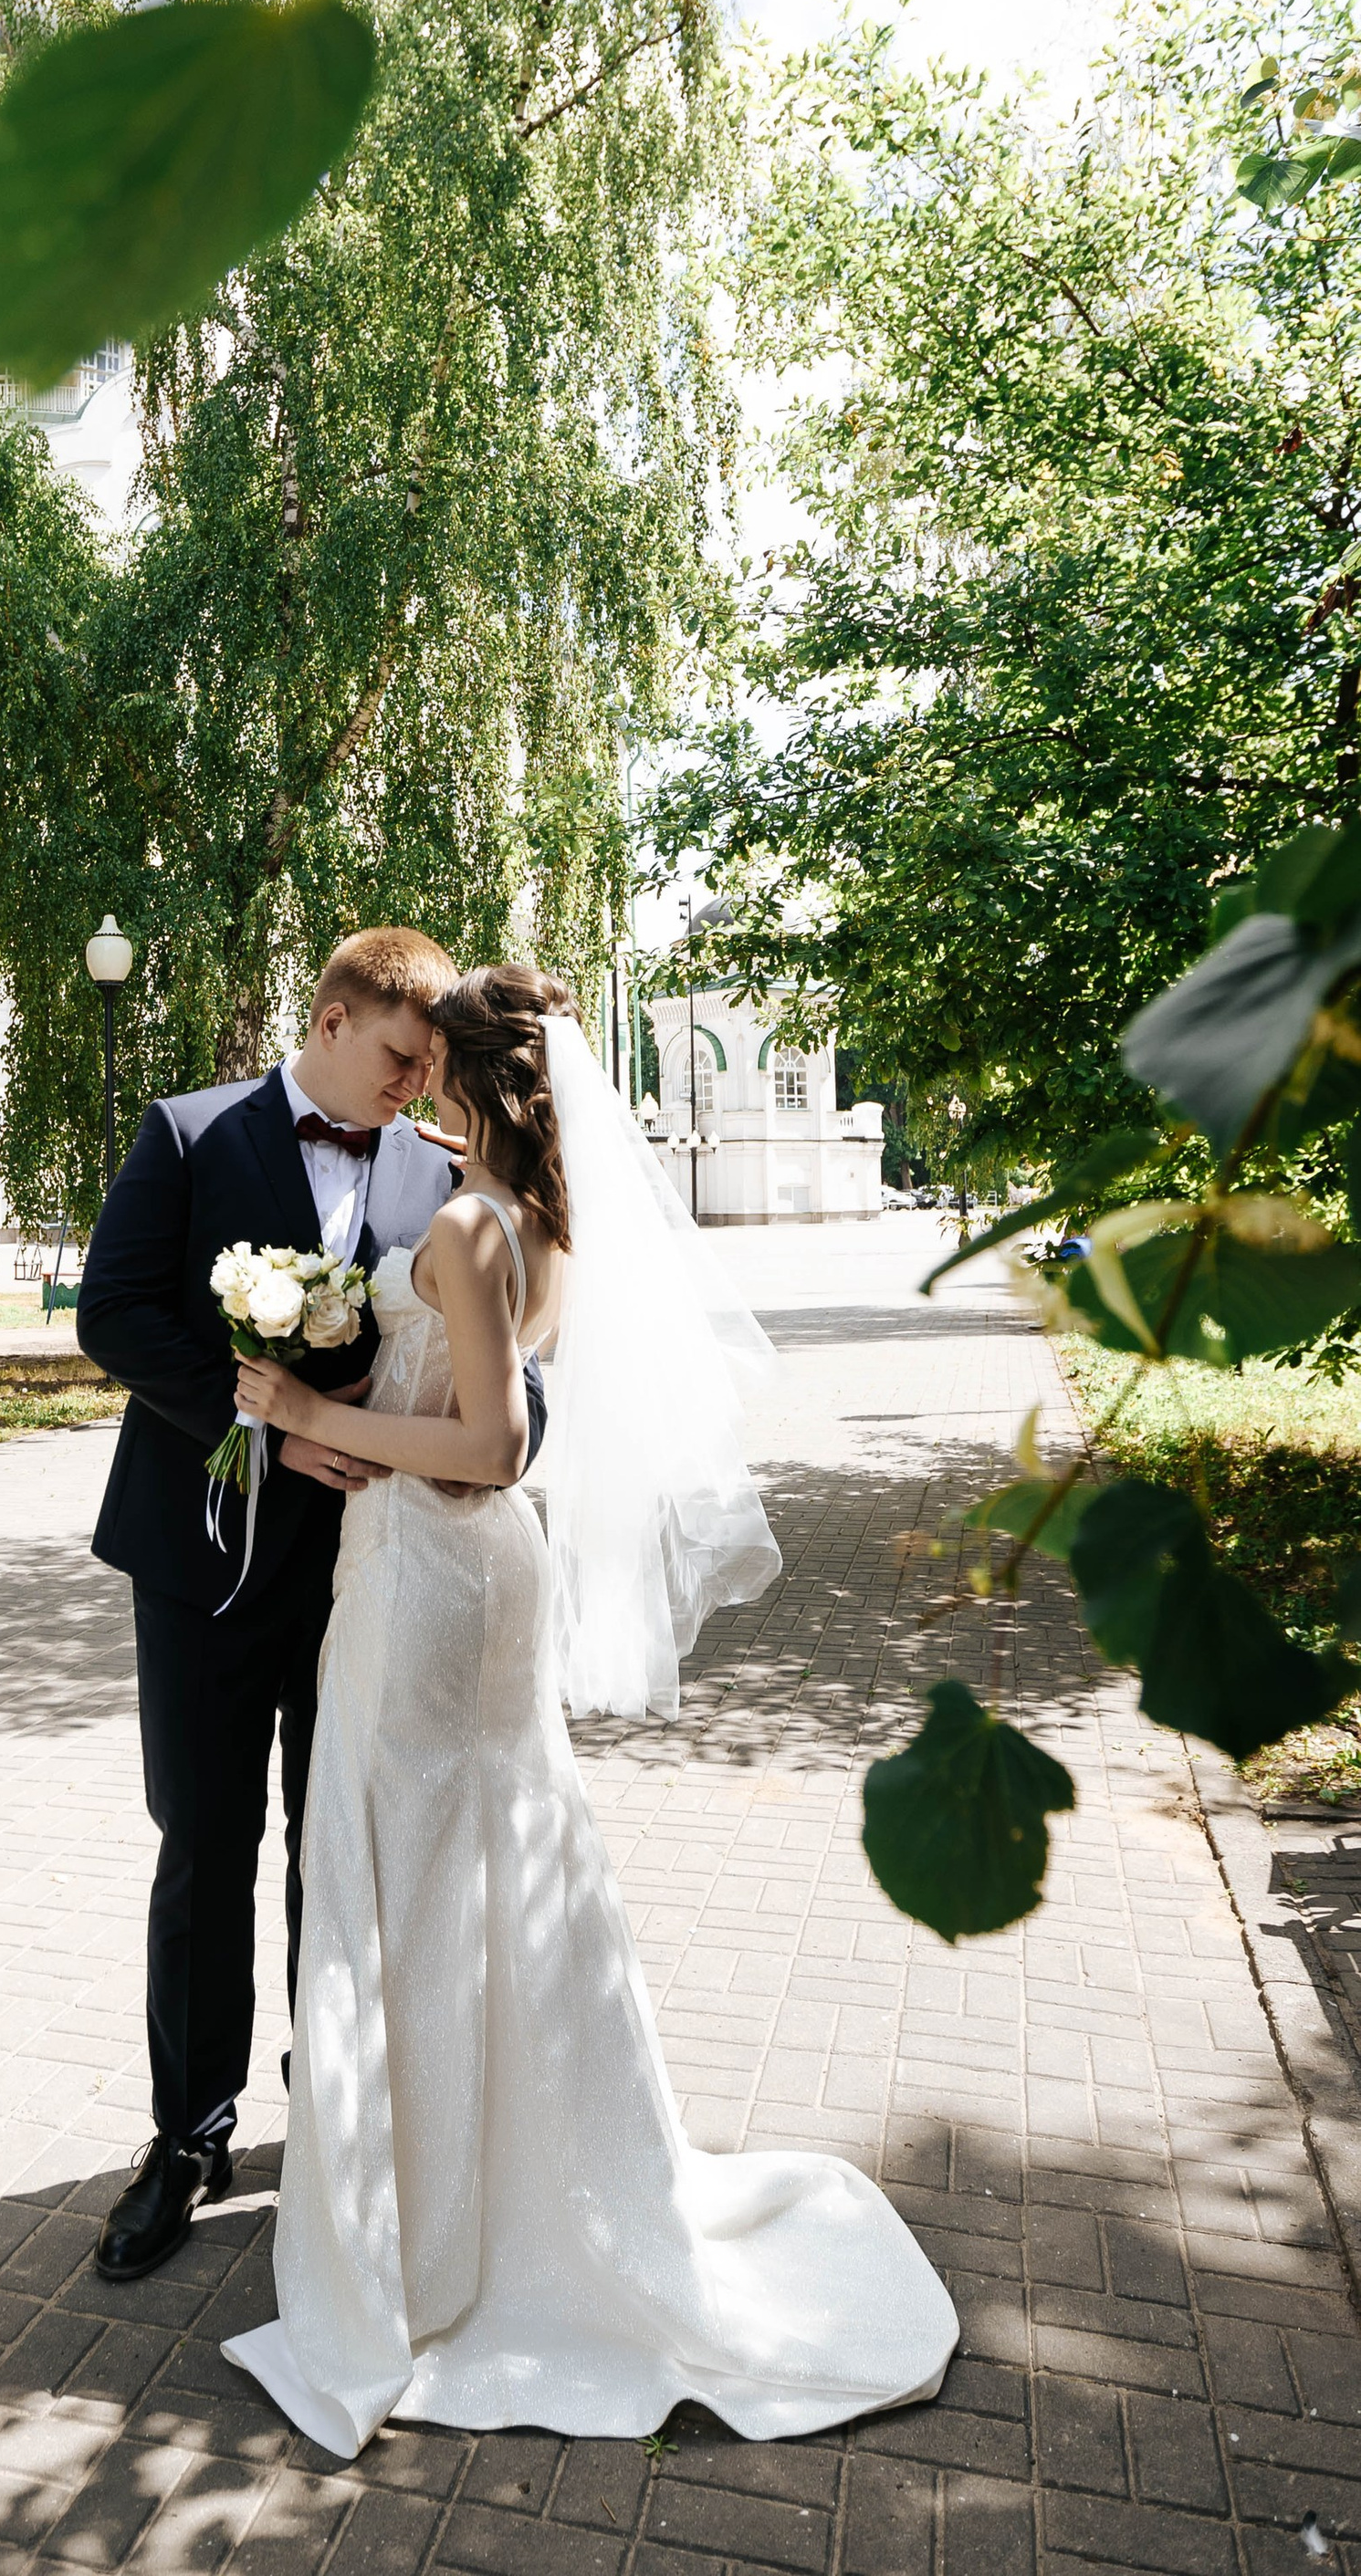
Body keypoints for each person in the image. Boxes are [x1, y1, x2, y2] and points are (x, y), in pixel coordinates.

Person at [217, 963, 958, 2455]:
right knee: (491, 1858)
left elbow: (481, 1446)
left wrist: (296, 1408)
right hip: (488, 1587)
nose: (414, 1093)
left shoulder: (473, 1227)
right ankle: (507, 2188)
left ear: (482, 1085)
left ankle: (427, 2247)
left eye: (436, 1073)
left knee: (408, 1876)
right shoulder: (538, 1219)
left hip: (430, 1573)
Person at [78, 926, 546, 2284]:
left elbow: (499, 1363)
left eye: (432, 1066)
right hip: (203, 1565)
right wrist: (266, 1426)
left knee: (346, 1848)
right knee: (205, 1848)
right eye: (402, 1055)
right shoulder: (185, 1133)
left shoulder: (445, 1175)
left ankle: (335, 2116)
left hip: (375, 1573)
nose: (416, 1084)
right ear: (334, 1019)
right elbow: (116, 1315)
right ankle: (187, 2134)